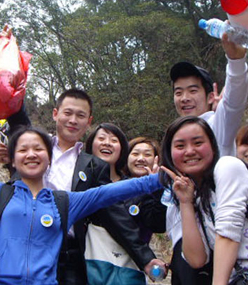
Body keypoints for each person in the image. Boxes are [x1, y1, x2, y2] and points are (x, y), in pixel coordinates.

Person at [0, 125, 163, 285]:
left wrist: (160, 179)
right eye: (23, 150)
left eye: (38, 149)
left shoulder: (65, 203)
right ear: (13, 160)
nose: (31, 154)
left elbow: (109, 193)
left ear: (49, 159)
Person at [0, 89, 159, 284]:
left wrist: (144, 257)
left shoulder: (94, 166)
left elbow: (113, 213)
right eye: (67, 113)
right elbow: (18, 117)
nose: (73, 120)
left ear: (88, 121)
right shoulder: (34, 150)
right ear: (55, 114)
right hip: (21, 247)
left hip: (68, 255)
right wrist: (9, 82)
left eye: (80, 116)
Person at [166, 34, 248, 284]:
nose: (185, 98)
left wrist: (235, 61)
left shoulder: (218, 131)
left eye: (193, 90)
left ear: (211, 95)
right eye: (178, 92)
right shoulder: (176, 153)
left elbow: (234, 103)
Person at [160, 116, 248, 284]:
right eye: (180, 146)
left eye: (198, 143)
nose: (190, 151)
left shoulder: (228, 167)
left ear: (213, 147)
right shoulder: (194, 196)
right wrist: (186, 203)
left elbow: (228, 232)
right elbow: (197, 260)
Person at [85, 124, 167, 283]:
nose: (140, 158)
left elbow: (156, 223)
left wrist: (156, 187)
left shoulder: (143, 193)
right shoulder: (82, 181)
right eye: (135, 153)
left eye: (147, 154)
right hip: (89, 266)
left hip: (127, 270)